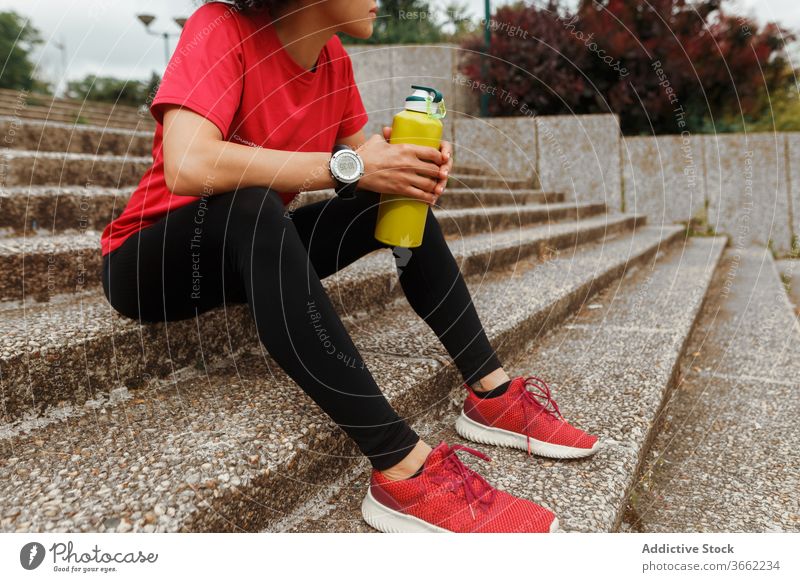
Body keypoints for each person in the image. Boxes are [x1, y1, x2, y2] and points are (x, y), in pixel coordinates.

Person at [100, 0, 599, 533]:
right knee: (253, 204)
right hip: (150, 263)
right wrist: (357, 165)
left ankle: (492, 394)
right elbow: (187, 163)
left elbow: (366, 163)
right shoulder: (221, 26)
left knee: (386, 199)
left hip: (250, 252)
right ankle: (400, 470)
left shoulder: (333, 59)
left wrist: (407, 165)